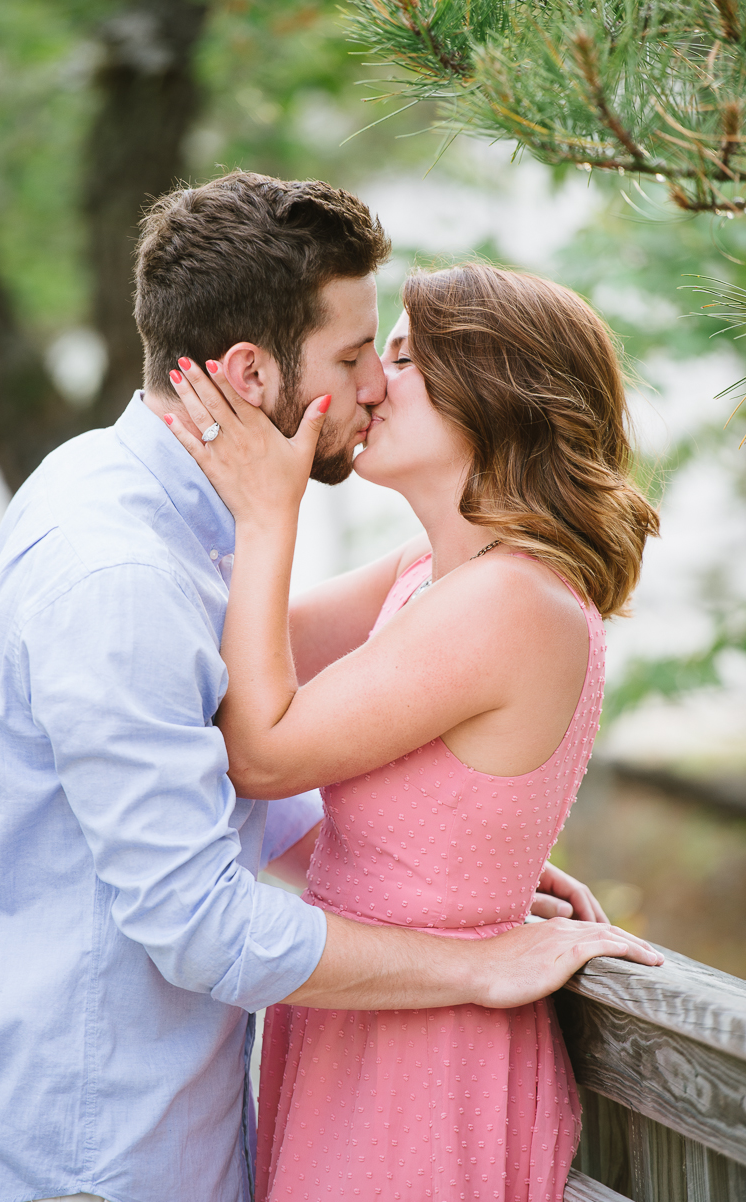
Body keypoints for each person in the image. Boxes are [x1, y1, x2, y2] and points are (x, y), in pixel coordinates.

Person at [0, 173, 657, 1202]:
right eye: (358, 355)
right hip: (85, 1153)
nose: (372, 386)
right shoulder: (124, 569)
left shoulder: (123, 499)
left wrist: (449, 866)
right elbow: (214, 874)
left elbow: (244, 745)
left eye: (395, 357)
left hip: (221, 1110)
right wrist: (468, 951)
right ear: (247, 371)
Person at [164, 258, 662, 1202]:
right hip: (368, 1013)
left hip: (429, 1050)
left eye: (401, 355)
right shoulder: (427, 576)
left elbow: (263, 751)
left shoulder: (511, 599)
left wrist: (272, 514)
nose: (369, 384)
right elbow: (218, 652)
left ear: (493, 389)